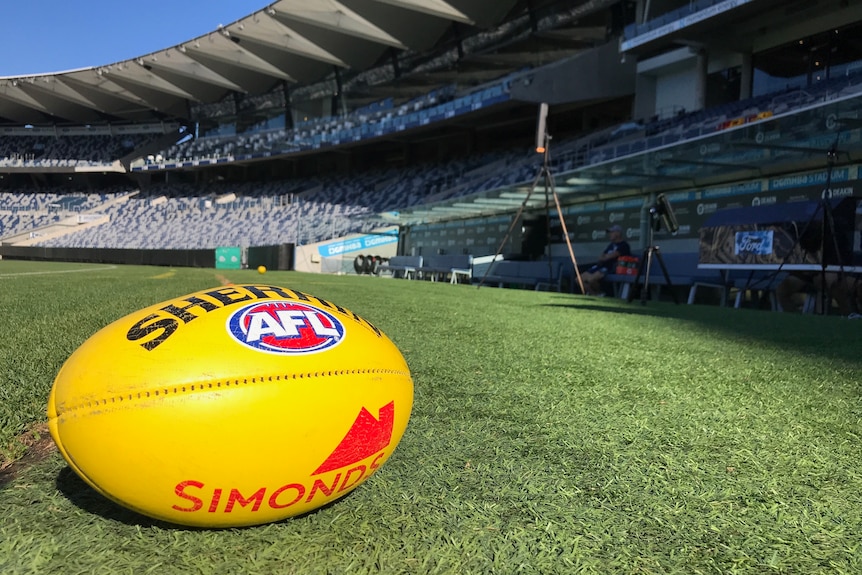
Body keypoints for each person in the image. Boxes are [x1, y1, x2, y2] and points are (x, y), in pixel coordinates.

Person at [580, 225, 631, 296]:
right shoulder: (611, 245)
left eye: (612, 232)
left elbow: (611, 256)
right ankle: (595, 294)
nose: (610, 234)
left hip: (611, 268)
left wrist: (605, 257)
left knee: (591, 279)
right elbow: (601, 256)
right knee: (579, 279)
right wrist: (605, 257)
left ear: (618, 233)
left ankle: (599, 293)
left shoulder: (624, 245)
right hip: (601, 266)